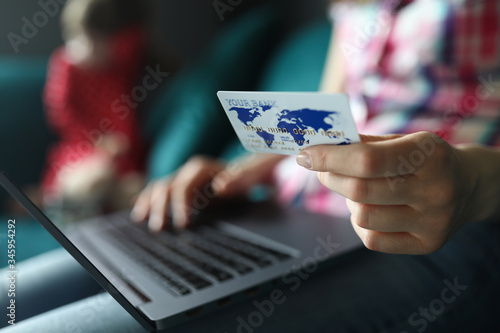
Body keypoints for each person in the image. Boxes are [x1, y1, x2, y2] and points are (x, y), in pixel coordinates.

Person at [2, 0, 500, 332]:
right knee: (12, 297)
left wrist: (476, 182)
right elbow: (327, 113)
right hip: (287, 211)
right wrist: (236, 168)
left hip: (444, 233)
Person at [41, 0, 155, 222]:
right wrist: (98, 142)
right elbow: (61, 113)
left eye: (99, 40)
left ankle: (75, 206)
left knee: (135, 191)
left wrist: (118, 145)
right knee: (94, 179)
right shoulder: (66, 64)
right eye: (83, 38)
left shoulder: (120, 62)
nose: (91, 48)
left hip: (124, 156)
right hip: (84, 149)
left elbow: (140, 31)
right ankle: (58, 201)